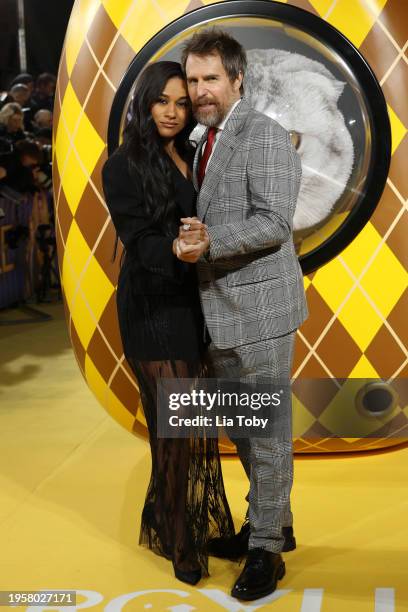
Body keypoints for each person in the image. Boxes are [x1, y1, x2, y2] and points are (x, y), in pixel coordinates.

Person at [175, 29, 308, 601]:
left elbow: (276, 223)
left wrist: (209, 244)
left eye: (211, 79)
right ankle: (272, 525)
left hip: (260, 310)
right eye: (194, 80)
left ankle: (266, 553)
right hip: (218, 312)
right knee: (246, 430)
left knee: (270, 436)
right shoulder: (203, 135)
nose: (200, 91)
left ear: (237, 78)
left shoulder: (264, 135)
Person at [101, 61, 234, 586]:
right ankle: (178, 534)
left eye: (182, 103)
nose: (174, 113)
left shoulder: (193, 153)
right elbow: (138, 239)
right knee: (176, 427)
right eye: (164, 102)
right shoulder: (123, 165)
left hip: (191, 302)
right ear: (145, 103)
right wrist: (178, 249)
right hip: (152, 304)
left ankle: (167, 514)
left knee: (188, 422)